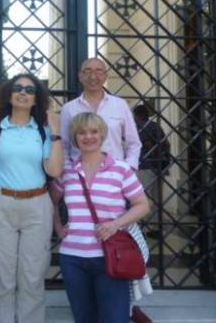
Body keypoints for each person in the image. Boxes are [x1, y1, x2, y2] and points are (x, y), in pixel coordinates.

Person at [0, 73, 64, 323]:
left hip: (37, 205)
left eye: (30, 89)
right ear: (9, 94)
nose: (23, 92)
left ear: (37, 99)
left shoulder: (44, 131)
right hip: (1, 204)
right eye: (18, 88)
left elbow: (55, 171)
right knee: (2, 278)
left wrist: (56, 132)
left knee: (33, 277)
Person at [52, 112, 150, 323]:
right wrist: (58, 227)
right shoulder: (67, 170)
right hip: (73, 258)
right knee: (84, 319)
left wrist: (116, 224)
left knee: (115, 319)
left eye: (94, 131)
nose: (88, 137)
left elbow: (142, 205)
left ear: (102, 134)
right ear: (75, 137)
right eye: (82, 132)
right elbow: (52, 200)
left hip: (111, 256)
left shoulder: (121, 169)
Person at [60, 58, 141, 169]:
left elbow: (133, 143)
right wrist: (68, 170)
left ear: (105, 76)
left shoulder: (120, 105)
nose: (93, 76)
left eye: (99, 71)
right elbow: (63, 145)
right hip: (79, 175)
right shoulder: (68, 109)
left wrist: (129, 168)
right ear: (80, 76)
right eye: (87, 71)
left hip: (115, 175)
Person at [133, 104, 171, 238]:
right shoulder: (156, 126)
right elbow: (166, 144)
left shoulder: (138, 128)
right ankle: (155, 227)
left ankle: (142, 227)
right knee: (157, 198)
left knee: (142, 198)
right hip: (159, 167)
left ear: (137, 115)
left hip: (145, 166)